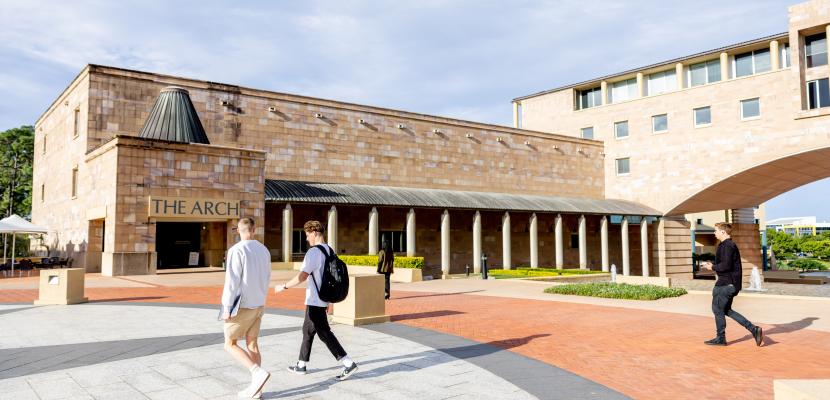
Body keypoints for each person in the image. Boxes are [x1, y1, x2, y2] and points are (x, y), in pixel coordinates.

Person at [274, 220, 358, 380]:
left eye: (307, 235)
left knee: (324, 333)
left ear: (314, 233)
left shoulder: (313, 253)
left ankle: (348, 363)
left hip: (315, 300)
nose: (306, 239)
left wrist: (283, 286)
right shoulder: (329, 250)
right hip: (322, 298)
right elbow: (331, 278)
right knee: (307, 330)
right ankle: (301, 364)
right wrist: (329, 301)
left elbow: (302, 276)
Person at [220, 217, 273, 399]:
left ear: (239, 231)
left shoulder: (236, 250)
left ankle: (256, 372)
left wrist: (226, 307)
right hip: (259, 303)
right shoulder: (264, 250)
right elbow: (267, 277)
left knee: (229, 343)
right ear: (254, 229)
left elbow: (232, 281)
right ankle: (256, 390)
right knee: (252, 344)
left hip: (242, 305)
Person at [700, 222, 764, 347]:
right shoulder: (727, 245)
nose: (714, 233)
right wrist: (712, 265)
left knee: (717, 310)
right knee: (726, 310)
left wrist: (711, 266)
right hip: (729, 284)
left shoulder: (727, 245)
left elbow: (726, 266)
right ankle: (753, 329)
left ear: (723, 232)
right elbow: (725, 263)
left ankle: (721, 338)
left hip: (725, 284)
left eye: (716, 231)